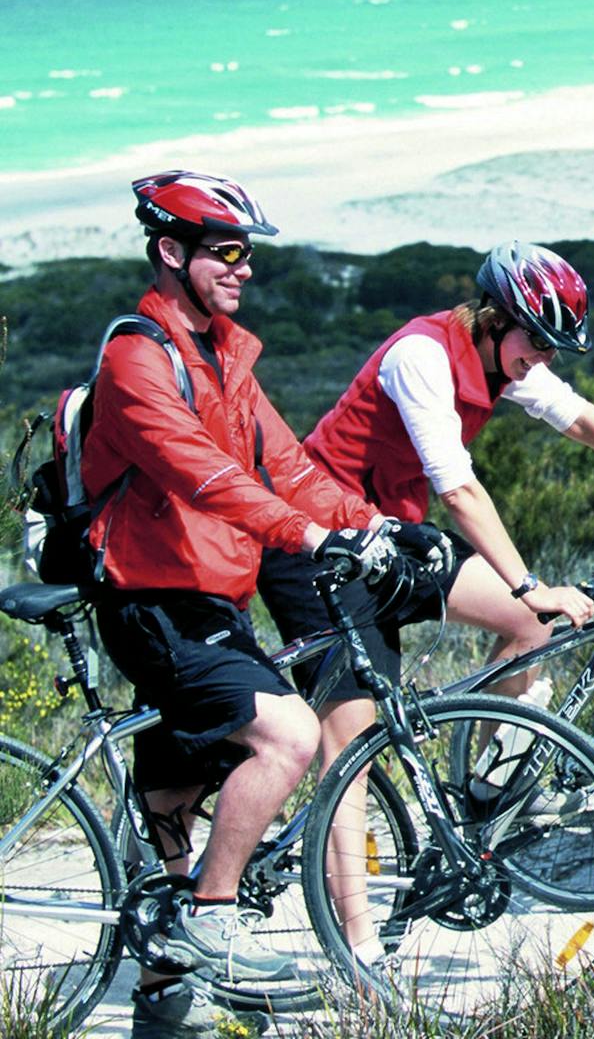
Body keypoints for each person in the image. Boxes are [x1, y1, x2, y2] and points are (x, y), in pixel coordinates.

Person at [254, 240, 594, 946]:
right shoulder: (420, 356)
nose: (544, 359)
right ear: (494, 318)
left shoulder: (504, 359)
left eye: (552, 348)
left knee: (531, 629)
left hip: (394, 541)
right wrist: (530, 582)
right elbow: (458, 487)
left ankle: (485, 788)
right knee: (348, 753)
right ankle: (356, 949)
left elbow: (582, 419)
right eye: (536, 342)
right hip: (321, 550)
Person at [85, 171, 407, 1036]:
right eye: (226, 251)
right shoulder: (136, 359)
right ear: (171, 253)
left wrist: (377, 525)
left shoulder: (227, 354)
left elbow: (290, 468)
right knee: (289, 733)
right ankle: (211, 918)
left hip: (211, 599)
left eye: (247, 253)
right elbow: (206, 475)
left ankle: (164, 979)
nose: (243, 269)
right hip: (150, 602)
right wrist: (305, 540)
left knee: (195, 782)